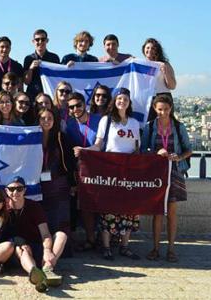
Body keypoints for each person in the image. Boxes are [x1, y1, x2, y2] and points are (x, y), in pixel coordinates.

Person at [74, 88, 141, 261]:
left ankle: (125, 246)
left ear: (129, 102)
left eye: (125, 99)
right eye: (119, 98)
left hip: (128, 171)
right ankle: (106, 246)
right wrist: (84, 150)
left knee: (128, 209)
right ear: (115, 101)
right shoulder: (107, 120)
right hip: (110, 171)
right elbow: (98, 145)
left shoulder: (134, 122)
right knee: (108, 208)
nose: (122, 102)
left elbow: (136, 148)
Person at [141, 94, 192, 263]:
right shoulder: (149, 127)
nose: (163, 113)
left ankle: (171, 249)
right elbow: (142, 151)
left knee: (171, 212)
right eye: (160, 109)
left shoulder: (178, 126)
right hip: (156, 174)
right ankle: (155, 248)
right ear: (155, 109)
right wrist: (156, 153)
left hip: (175, 172)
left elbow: (188, 149)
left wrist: (178, 157)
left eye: (166, 109)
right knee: (157, 212)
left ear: (171, 109)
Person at [5, 177, 66, 291]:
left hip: (37, 245)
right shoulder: (2, 206)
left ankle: (48, 268)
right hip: (18, 249)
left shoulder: (34, 206)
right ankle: (35, 274)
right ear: (6, 191)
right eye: (12, 189)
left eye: (19, 189)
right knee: (23, 248)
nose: (15, 192)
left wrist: (47, 250)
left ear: (25, 190)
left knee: (61, 235)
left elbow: (45, 234)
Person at [65, 93, 101, 251]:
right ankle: (91, 239)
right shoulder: (69, 125)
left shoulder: (99, 120)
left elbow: (102, 144)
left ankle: (105, 239)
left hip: (100, 168)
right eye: (71, 107)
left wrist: (84, 150)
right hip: (80, 170)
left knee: (101, 205)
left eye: (78, 105)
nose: (75, 109)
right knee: (84, 205)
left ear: (84, 104)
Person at [37, 108, 74, 253]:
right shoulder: (32, 137)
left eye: (49, 118)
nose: (46, 121)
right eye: (43, 118)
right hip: (39, 185)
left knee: (60, 217)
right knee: (43, 217)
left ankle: (62, 249)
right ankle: (44, 247)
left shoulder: (61, 137)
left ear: (54, 120)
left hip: (58, 184)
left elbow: (69, 162)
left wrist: (72, 183)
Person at [143, 38, 177, 121]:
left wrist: (165, 72)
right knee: (149, 125)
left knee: (165, 124)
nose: (150, 50)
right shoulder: (140, 64)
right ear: (143, 49)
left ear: (157, 51)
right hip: (148, 98)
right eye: (147, 48)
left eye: (153, 48)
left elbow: (172, 86)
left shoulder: (164, 64)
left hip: (163, 97)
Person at [23, 29, 60, 100]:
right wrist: (30, 69)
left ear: (47, 40)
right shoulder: (28, 58)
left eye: (43, 39)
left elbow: (58, 79)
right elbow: (26, 82)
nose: (40, 42)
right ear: (33, 41)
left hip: (50, 94)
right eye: (37, 39)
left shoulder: (54, 58)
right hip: (33, 94)